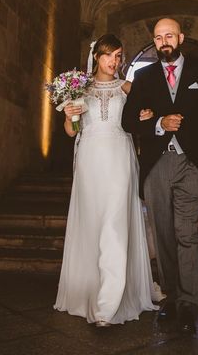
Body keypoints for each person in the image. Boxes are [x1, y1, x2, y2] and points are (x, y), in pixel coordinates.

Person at [121, 18, 198, 334]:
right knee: (164, 234)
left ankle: (190, 305)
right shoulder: (142, 76)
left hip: (191, 164)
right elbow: (128, 120)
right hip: (156, 166)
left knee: (187, 232)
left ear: (181, 37)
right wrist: (157, 124)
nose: (164, 41)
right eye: (158, 37)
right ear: (154, 42)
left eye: (169, 35)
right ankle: (170, 299)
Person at [53, 34, 158, 326]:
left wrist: (147, 115)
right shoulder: (78, 88)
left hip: (119, 158)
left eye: (119, 56)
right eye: (109, 56)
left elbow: (140, 120)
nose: (114, 61)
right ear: (96, 57)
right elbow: (72, 131)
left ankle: (108, 305)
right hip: (89, 160)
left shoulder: (128, 88)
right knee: (92, 223)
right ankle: (89, 289)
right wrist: (69, 116)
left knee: (114, 223)